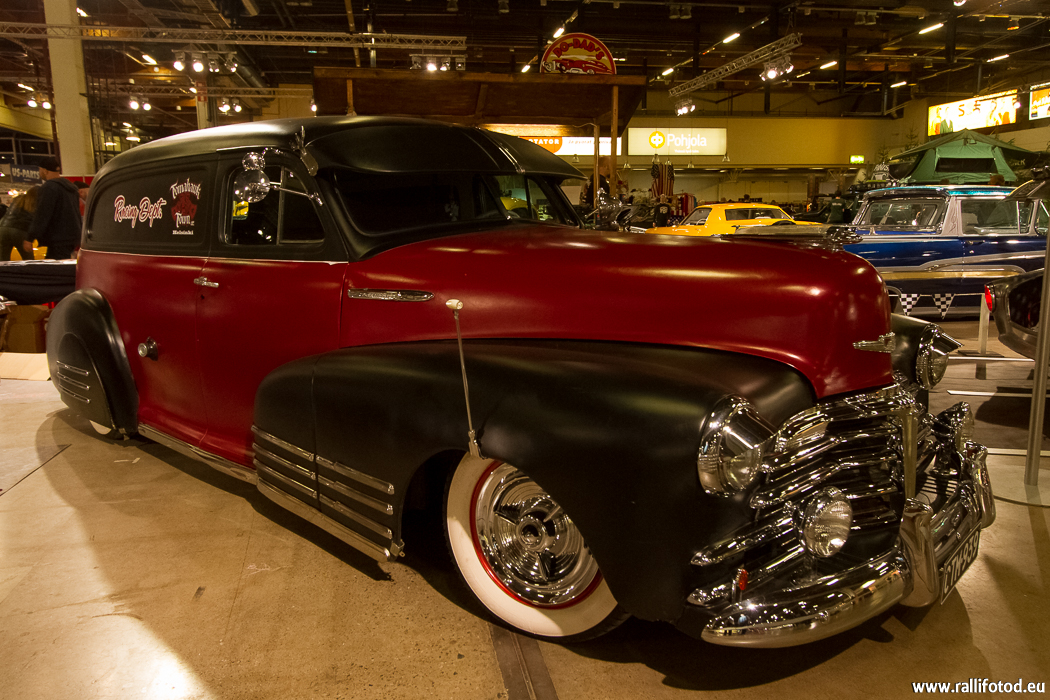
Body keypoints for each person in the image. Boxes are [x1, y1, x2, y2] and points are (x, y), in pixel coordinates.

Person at [27, 157, 82, 260]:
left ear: (45, 170)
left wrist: (30, 237)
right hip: (72, 236)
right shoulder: (71, 188)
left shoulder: (49, 187)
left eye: (39, 170)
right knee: (62, 263)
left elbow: (43, 214)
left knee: (55, 266)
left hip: (58, 238)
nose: (39, 173)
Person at [0, 187, 39, 261]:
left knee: (3, 259)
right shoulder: (36, 202)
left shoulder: (18, 199)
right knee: (28, 260)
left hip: (3, 228)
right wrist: (30, 238)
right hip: (20, 231)